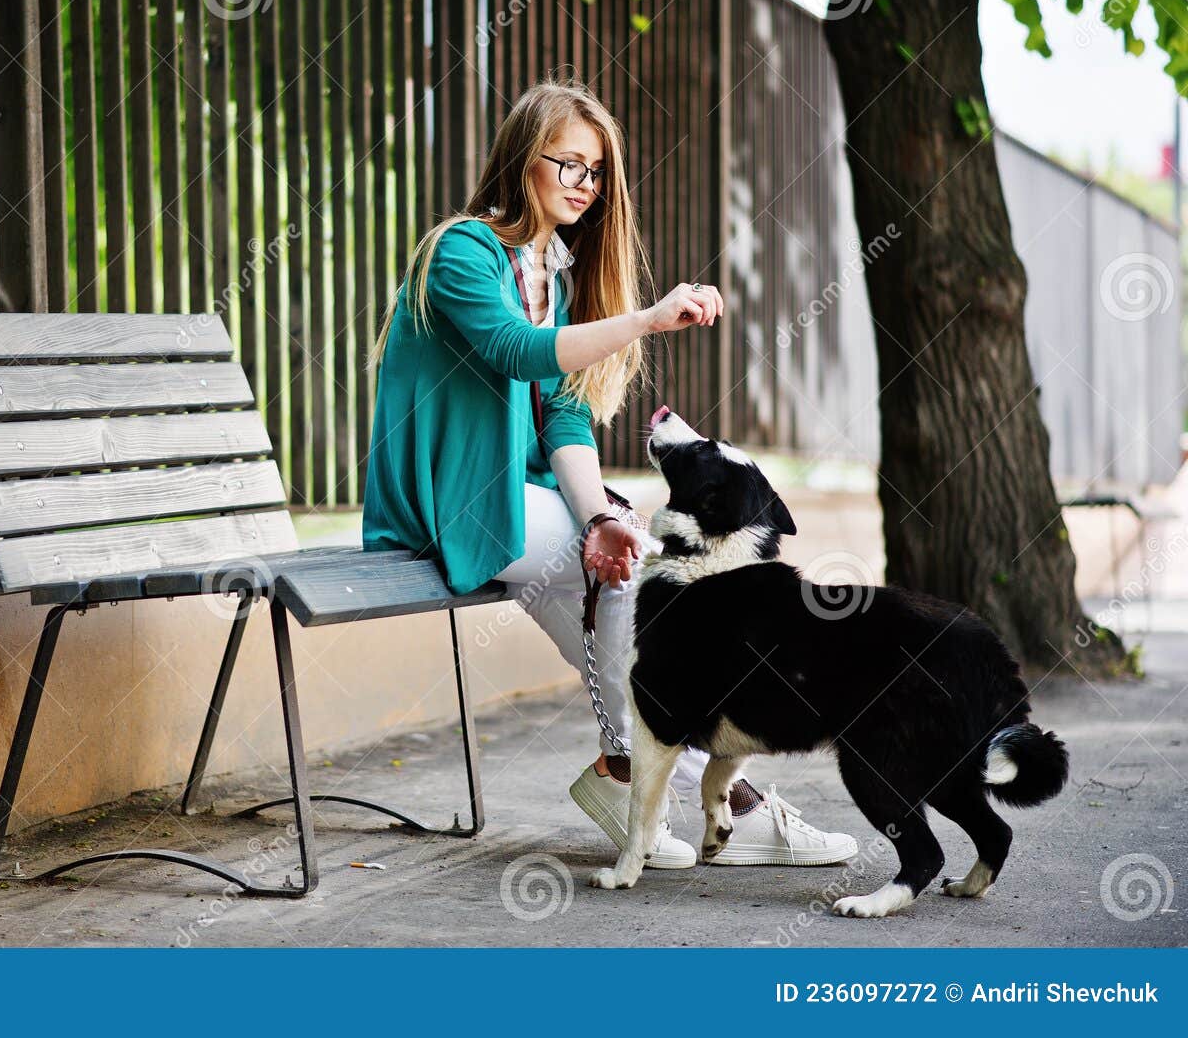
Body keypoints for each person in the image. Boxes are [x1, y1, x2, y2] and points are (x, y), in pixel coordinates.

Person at [362, 77, 856, 868]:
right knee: (633, 587)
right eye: (570, 165)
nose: (585, 187)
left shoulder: (548, 276)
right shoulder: (462, 250)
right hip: (449, 502)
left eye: (596, 173)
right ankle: (702, 791)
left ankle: (653, 773)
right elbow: (515, 352)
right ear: (524, 159)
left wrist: (599, 520)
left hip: (516, 503)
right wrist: (650, 318)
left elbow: (560, 413)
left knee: (620, 569)